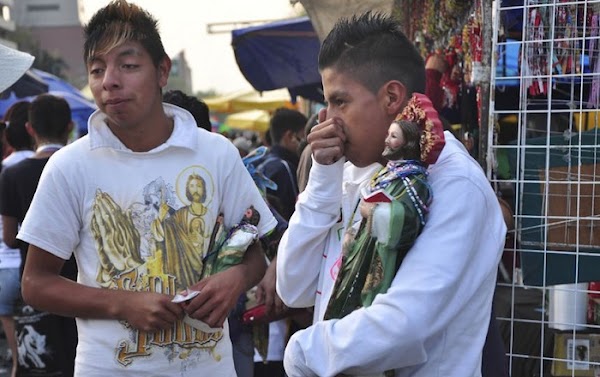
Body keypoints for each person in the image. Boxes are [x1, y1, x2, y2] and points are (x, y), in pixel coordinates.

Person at [16, 1, 276, 376]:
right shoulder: (70, 167)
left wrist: (235, 278)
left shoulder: (215, 153)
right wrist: (121, 304)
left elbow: (253, 251)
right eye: (97, 69)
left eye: (128, 65)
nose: (110, 81)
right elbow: (36, 284)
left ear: (162, 71)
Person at [276, 11, 507, 377]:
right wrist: (322, 179)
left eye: (340, 102)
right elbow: (295, 288)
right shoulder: (355, 171)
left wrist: (303, 353)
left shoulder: (456, 183)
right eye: (327, 104)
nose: (328, 121)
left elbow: (403, 325)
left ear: (392, 97)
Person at [324, 107, 435, 321]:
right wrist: (352, 231)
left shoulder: (413, 180)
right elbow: (363, 203)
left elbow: (409, 221)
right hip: (362, 244)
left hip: (382, 254)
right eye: (388, 134)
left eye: (393, 136)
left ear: (408, 144)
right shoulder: (386, 173)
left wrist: (375, 212)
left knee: (370, 305)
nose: (386, 140)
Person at [0, 94, 78, 377]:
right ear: (69, 126)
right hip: (82, 283)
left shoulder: (12, 174)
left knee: (38, 364)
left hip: (34, 286)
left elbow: (9, 238)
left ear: (30, 129)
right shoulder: (78, 167)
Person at [0, 101, 35, 377]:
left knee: (19, 358)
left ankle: (15, 365)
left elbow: (7, 235)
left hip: (5, 265)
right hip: (36, 267)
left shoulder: (7, 169)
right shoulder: (54, 165)